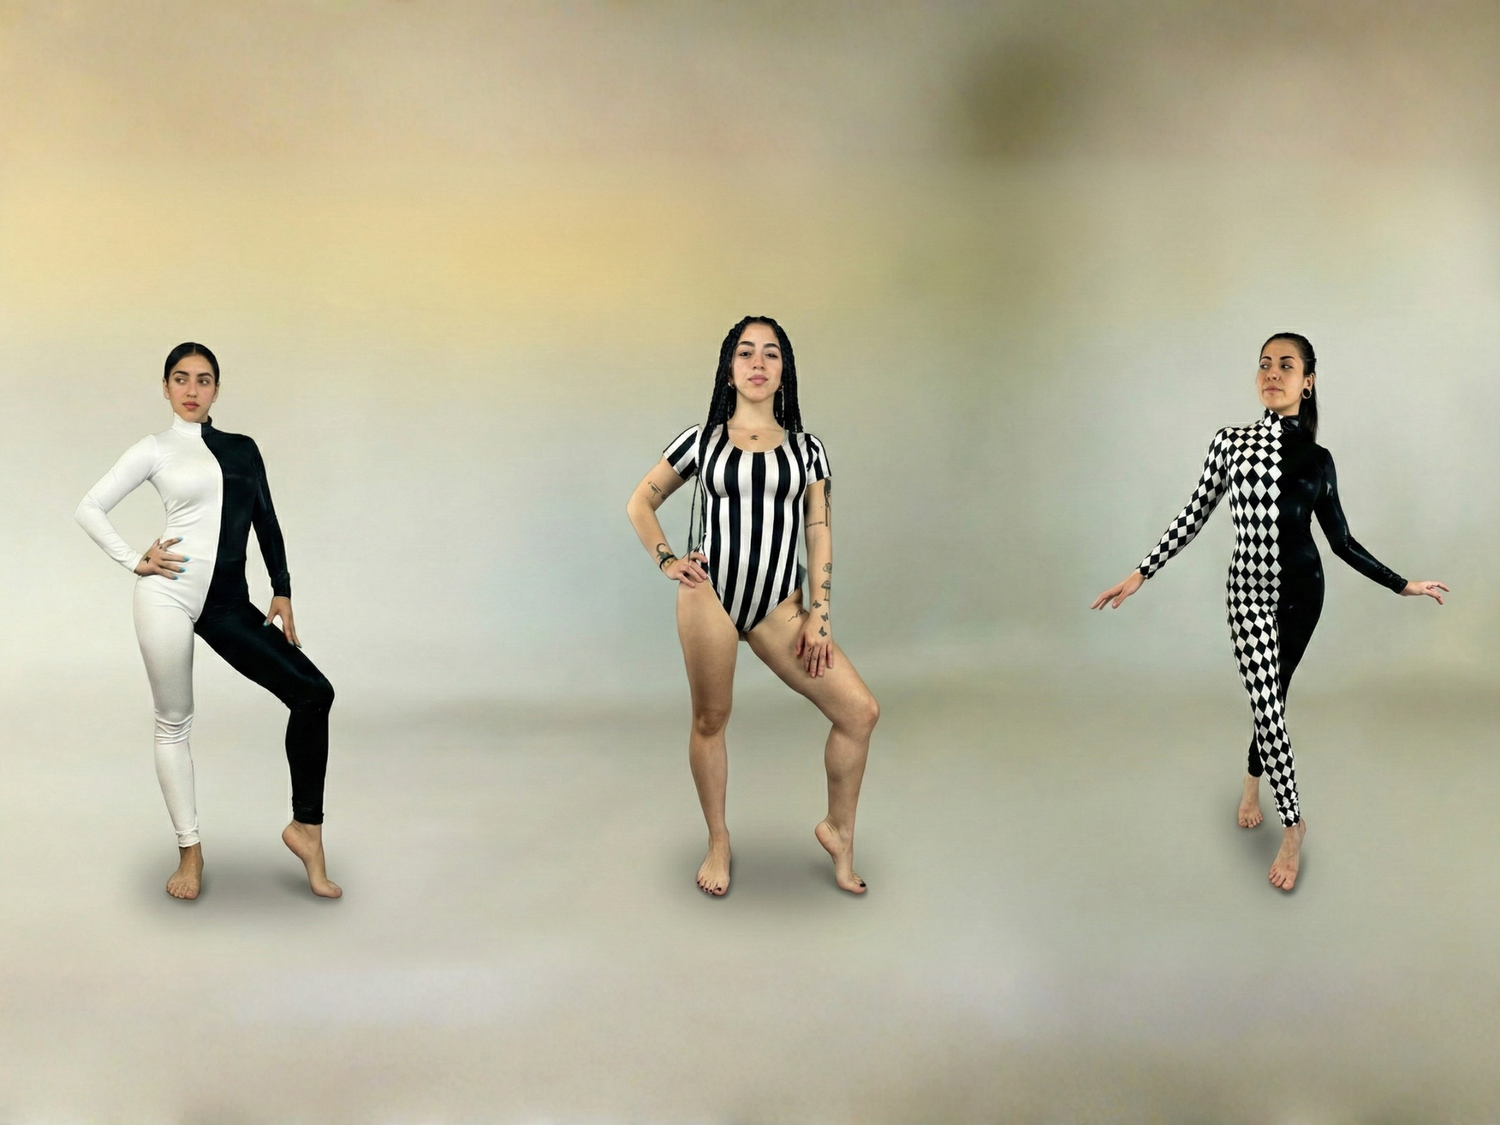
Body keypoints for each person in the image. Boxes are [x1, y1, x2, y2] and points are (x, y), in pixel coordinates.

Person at [1092, 332, 1447, 891]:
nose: (1272, 373)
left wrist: (1401, 585)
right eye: (1264, 365)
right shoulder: (1229, 444)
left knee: (1271, 699)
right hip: (1247, 594)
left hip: (1304, 595)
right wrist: (1141, 572)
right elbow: (1193, 515)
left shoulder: (1319, 460)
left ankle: (1254, 783)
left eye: (1286, 365)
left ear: (1307, 382)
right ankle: (1295, 823)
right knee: (1268, 702)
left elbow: (1342, 542)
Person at [76, 342, 340, 900]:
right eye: (180, 379)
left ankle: (306, 830)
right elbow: (90, 507)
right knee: (175, 721)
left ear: (217, 388)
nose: (192, 390)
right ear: (166, 388)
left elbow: (265, 516)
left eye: (203, 379)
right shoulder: (155, 449)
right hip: (166, 595)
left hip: (226, 604)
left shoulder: (242, 449)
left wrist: (282, 590)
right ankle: (189, 851)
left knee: (313, 693)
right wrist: (135, 560)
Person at [626, 316, 880, 896]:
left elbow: (818, 530)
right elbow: (641, 501)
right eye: (746, 353)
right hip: (709, 595)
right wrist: (667, 559)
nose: (758, 362)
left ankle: (840, 831)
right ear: (730, 367)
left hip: (778, 605)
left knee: (858, 713)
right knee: (711, 720)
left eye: (771, 353)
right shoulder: (701, 440)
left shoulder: (808, 450)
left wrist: (820, 614)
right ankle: (719, 840)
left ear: (784, 368)